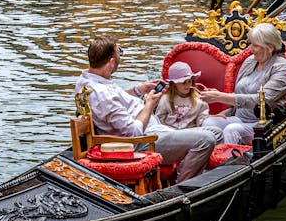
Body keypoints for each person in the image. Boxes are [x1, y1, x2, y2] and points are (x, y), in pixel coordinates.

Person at [73, 36, 221, 183]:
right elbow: (133, 132)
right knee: (206, 140)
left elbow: (115, 102)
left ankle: (189, 172)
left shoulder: (88, 79)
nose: (119, 59)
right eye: (119, 54)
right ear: (111, 62)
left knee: (216, 132)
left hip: (152, 130)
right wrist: (149, 104)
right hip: (142, 141)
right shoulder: (103, 94)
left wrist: (139, 90)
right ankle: (181, 187)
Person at [199, 23, 286, 144]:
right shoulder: (250, 61)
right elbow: (240, 97)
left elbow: (262, 101)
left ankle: (229, 161)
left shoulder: (283, 68)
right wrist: (222, 114)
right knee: (209, 123)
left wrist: (219, 96)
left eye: (255, 45)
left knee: (232, 130)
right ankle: (207, 159)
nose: (251, 49)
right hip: (239, 119)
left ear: (270, 47)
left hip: (265, 125)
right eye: (251, 44)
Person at [155, 61, 210, 130]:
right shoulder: (166, 99)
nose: (187, 85)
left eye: (189, 81)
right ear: (174, 84)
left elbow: (202, 116)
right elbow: (159, 118)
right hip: (170, 132)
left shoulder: (198, 99)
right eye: (183, 82)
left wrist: (210, 119)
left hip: (193, 132)